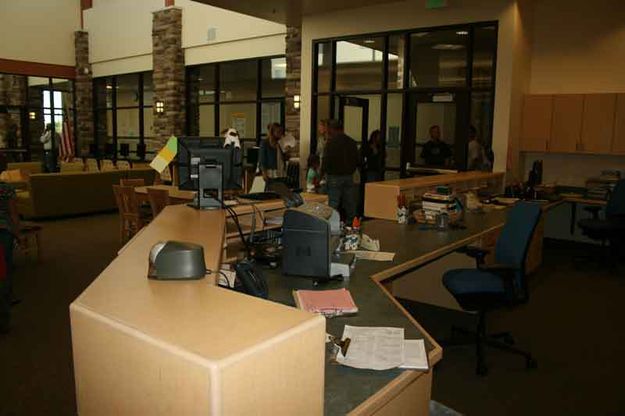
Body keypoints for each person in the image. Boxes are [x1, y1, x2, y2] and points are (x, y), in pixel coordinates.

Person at [320, 119, 359, 222]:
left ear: (332, 129)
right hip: (348, 176)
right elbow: (357, 159)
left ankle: (332, 226)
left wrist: (320, 176)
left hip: (334, 176)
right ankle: (352, 224)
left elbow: (325, 161)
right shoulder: (351, 142)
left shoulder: (331, 143)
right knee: (350, 202)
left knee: (333, 203)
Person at [0, 181, 20, 333]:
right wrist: (17, 233)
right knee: (5, 270)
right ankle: (4, 318)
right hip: (4, 231)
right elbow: (13, 214)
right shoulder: (6, 188)